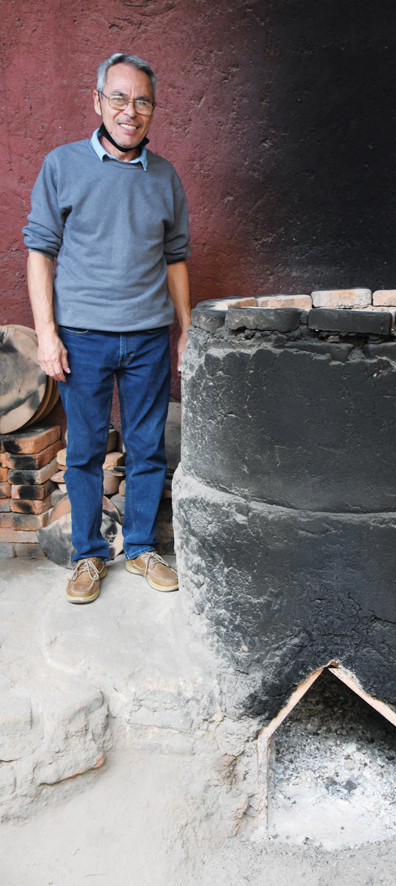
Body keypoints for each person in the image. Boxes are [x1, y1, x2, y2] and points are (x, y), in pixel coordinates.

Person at [23, 52, 191, 604]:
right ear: (97, 102)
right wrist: (47, 333)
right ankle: (89, 557)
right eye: (118, 97)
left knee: (148, 449)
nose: (130, 110)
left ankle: (141, 547)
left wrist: (184, 330)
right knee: (86, 451)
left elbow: (175, 260)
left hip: (148, 337)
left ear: (152, 111)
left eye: (142, 100)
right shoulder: (63, 165)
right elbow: (39, 253)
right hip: (82, 339)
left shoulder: (165, 176)